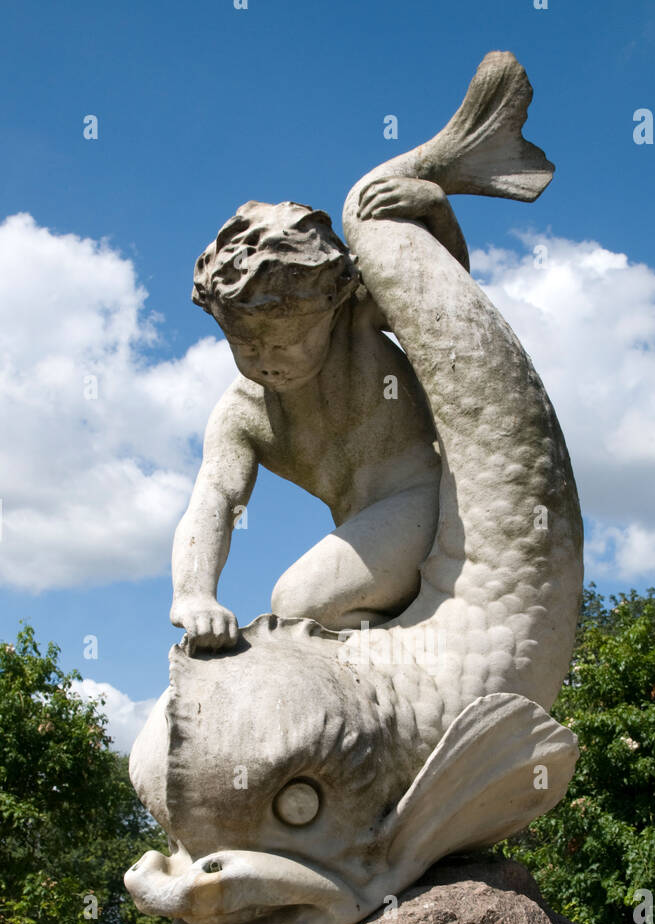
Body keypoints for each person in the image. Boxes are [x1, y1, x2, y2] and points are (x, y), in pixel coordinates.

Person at [171, 186, 470, 650]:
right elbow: (214, 498)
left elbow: (444, 302)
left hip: (433, 502)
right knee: (308, 626)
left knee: (299, 603)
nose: (268, 360)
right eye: (246, 346)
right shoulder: (243, 413)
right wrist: (193, 595)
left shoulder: (359, 321)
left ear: (331, 310)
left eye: (287, 343)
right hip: (370, 538)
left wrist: (436, 211)